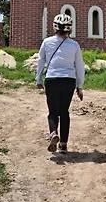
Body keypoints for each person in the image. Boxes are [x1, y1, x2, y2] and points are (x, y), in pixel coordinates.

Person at [36, 13, 85, 154]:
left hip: (52, 79)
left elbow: (40, 62)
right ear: (70, 28)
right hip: (69, 80)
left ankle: (53, 133)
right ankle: (63, 145)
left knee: (53, 112)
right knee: (64, 112)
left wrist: (38, 79)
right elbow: (79, 66)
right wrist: (80, 86)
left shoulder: (47, 42)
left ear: (55, 27)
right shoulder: (74, 45)